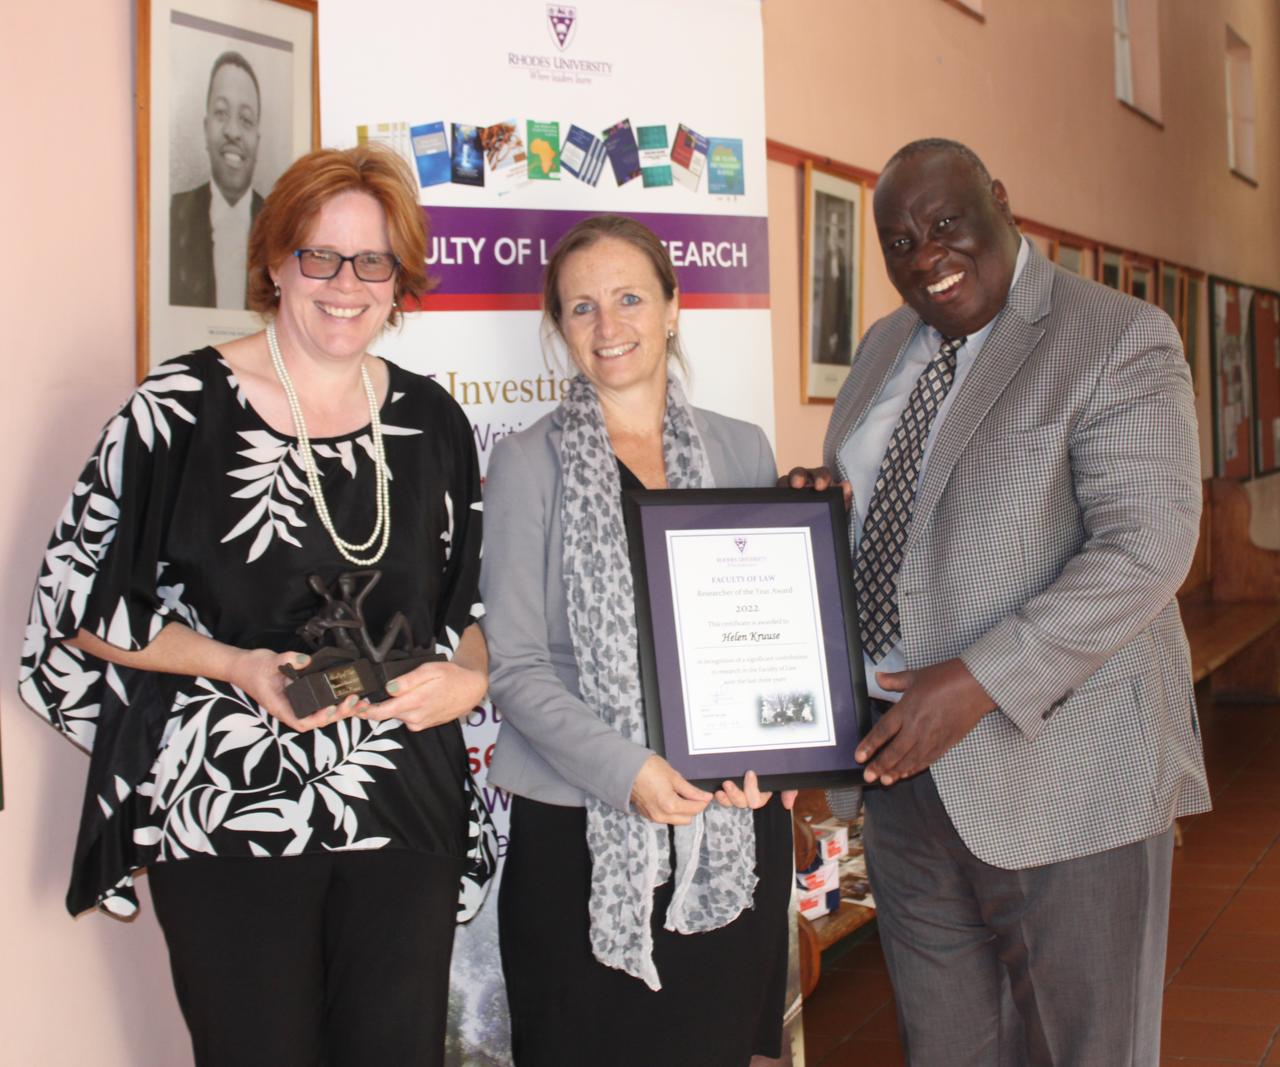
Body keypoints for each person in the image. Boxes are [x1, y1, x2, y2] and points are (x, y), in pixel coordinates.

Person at [20, 144, 495, 1067]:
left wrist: (469, 683)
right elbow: (79, 603)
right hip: (232, 800)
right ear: (275, 261)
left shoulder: (433, 421)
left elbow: (465, 609)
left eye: (374, 261)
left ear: (401, 279)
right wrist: (235, 664)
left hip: (405, 801)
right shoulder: (179, 409)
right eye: (320, 255)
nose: (347, 284)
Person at [787, 139, 1210, 1065]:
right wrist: (817, 508)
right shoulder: (882, 348)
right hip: (903, 785)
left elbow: (1147, 549)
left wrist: (977, 681)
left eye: (945, 224)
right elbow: (901, 515)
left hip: (1069, 777)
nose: (926, 256)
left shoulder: (1115, 335)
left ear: (1000, 203)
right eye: (899, 241)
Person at [482, 214, 796, 1067]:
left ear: (673, 308)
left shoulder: (741, 448)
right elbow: (514, 666)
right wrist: (631, 773)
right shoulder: (527, 464)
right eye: (580, 309)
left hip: (728, 818)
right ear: (559, 329)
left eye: (628, 298)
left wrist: (786, 751)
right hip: (581, 829)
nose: (608, 326)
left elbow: (767, 633)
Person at [170, 50, 265, 309]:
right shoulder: (172, 216)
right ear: (205, 127)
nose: (233, 131)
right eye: (222, 113)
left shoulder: (281, 228)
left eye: (245, 120)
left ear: (257, 140)